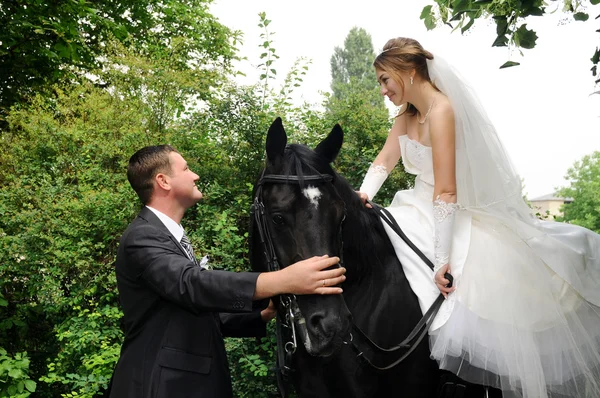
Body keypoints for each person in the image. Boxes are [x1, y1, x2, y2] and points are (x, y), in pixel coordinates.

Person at [356, 37, 600, 398]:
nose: (382, 90)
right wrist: (362, 195)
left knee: (473, 286)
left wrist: (442, 259)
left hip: (448, 210)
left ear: (406, 72)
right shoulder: (406, 117)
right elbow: (385, 160)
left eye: (384, 79)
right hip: (414, 206)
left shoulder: (442, 110)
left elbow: (447, 191)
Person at [108, 145, 346, 398]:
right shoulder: (142, 236)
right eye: (186, 168)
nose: (195, 175)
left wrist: (261, 315)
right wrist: (283, 280)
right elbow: (191, 284)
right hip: (159, 386)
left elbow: (189, 315)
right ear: (163, 181)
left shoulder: (167, 236)